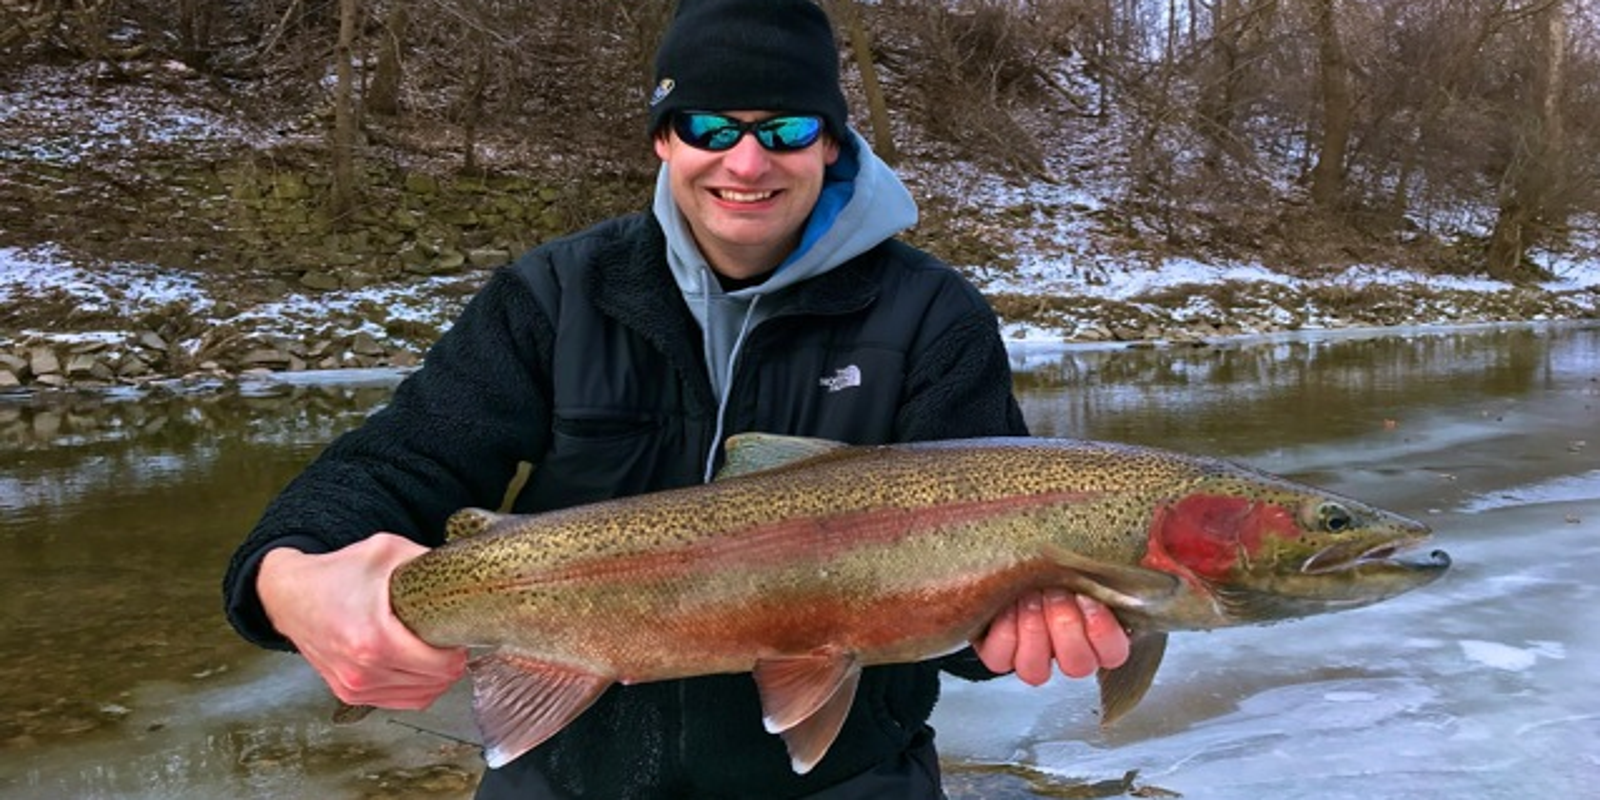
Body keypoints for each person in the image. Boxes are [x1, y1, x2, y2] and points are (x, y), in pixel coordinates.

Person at [222, 0, 1129, 797]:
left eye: (784, 130)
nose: (745, 160)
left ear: (832, 143)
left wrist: (1007, 629)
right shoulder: (556, 294)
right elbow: (399, 462)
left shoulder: (932, 316)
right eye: (708, 126)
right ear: (663, 139)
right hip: (567, 780)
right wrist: (286, 578)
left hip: (852, 782)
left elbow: (970, 603)